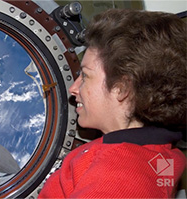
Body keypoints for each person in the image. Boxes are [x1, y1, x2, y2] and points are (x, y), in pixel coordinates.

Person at [38, 9, 186, 198]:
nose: (73, 88)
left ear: (121, 89)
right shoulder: (157, 153)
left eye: (85, 75)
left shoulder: (119, 180)